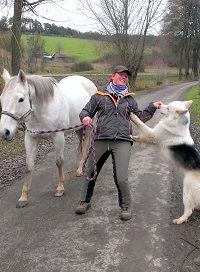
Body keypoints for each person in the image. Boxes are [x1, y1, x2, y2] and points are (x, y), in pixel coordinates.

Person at [75, 65, 163, 221]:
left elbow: (140, 117)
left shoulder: (129, 99)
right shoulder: (99, 96)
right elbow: (85, 111)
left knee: (121, 177)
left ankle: (126, 205)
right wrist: (85, 118)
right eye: (121, 75)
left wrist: (152, 107)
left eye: (126, 76)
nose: (124, 78)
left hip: (122, 140)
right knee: (90, 171)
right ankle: (84, 200)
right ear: (113, 76)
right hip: (101, 139)